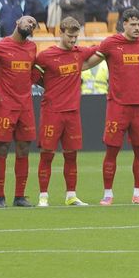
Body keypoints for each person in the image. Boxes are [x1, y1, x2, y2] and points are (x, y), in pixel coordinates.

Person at [84, 9, 139, 206]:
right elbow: (88, 63)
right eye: (133, 24)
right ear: (124, 24)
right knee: (112, 151)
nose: (137, 28)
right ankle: (108, 194)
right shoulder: (110, 43)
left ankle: (138, 194)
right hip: (117, 106)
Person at [31, 18, 90, 207]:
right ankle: (43, 197)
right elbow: (34, 77)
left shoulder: (79, 53)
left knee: (71, 155)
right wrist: (50, 85)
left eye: (76, 37)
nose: (73, 40)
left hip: (72, 113)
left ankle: (71, 195)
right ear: (61, 33)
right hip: (52, 112)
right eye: (70, 36)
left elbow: (101, 51)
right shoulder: (45, 56)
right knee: (47, 154)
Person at [0, 14, 40, 207]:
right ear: (17, 22)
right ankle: (0, 197)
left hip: (25, 107)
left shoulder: (32, 48)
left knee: (24, 149)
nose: (31, 24)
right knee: (2, 148)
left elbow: (33, 73)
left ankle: (19, 196)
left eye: (33, 24)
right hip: (5, 107)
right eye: (28, 21)